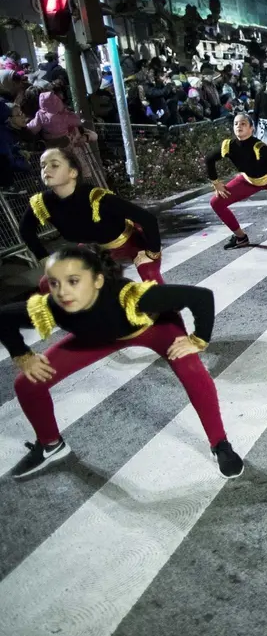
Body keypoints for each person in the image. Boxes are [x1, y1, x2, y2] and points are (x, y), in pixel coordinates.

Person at [0, 244, 243, 479]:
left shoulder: (134, 298)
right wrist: (24, 355)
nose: (63, 292)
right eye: (55, 284)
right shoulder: (53, 306)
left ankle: (219, 443)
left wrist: (197, 340)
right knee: (26, 384)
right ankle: (51, 444)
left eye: (73, 281)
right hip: (98, 337)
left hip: (151, 327)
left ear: (98, 281)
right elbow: (3, 318)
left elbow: (200, 297)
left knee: (192, 371)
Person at [20, 147, 164, 284]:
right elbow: (26, 230)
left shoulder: (96, 198)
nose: (46, 169)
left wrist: (152, 253)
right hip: (93, 250)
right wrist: (44, 258)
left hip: (128, 241)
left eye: (54, 165)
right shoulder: (42, 202)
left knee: (150, 274)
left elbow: (147, 219)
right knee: (48, 283)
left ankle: (167, 309)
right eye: (42, 165)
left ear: (72, 172)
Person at [204, 112, 267, 249]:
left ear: (251, 128)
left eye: (243, 124)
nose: (239, 126)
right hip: (249, 180)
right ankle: (240, 238)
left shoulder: (258, 147)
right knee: (216, 202)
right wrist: (216, 183)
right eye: (236, 123)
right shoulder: (228, 146)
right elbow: (209, 159)